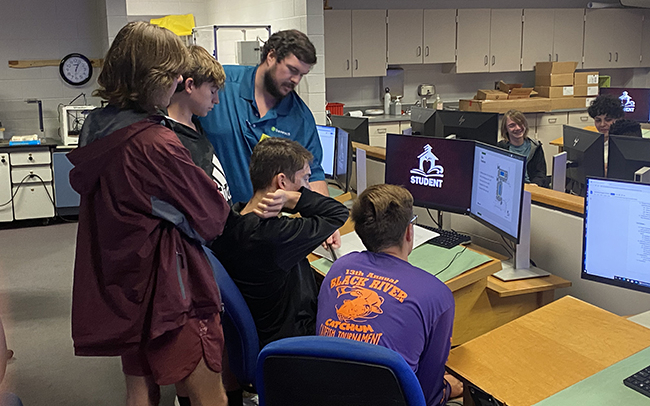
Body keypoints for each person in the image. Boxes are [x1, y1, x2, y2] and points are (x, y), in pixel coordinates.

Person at [68, 22, 230, 406]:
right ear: (151, 76)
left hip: (125, 281)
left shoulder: (96, 126)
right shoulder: (155, 142)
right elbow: (212, 216)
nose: (178, 80)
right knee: (211, 397)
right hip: (170, 288)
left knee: (140, 391)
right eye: (173, 72)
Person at [316, 184, 463, 406]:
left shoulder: (339, 267)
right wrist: (449, 388)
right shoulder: (437, 295)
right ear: (408, 232)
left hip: (324, 394)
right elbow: (428, 395)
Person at [210, 137, 348, 349]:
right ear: (282, 182)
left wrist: (312, 230)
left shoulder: (233, 219)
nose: (308, 187)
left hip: (264, 330)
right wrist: (292, 199)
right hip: (292, 342)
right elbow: (338, 213)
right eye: (305, 179)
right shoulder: (274, 236)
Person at [199, 30, 329, 201]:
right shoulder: (220, 85)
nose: (296, 80)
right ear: (271, 56)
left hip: (262, 221)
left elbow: (313, 176)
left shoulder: (300, 118)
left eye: (301, 75)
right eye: (292, 70)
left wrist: (326, 221)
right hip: (207, 215)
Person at [166, 45, 232, 205]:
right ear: (189, 85)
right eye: (212, 91)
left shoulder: (196, 125)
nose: (216, 100)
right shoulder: (168, 136)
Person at [498, 109, 549, 187]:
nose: (518, 128)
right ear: (506, 129)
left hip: (531, 188)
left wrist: (535, 184)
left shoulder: (535, 147)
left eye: (520, 124)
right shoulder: (501, 148)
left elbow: (540, 173)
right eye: (512, 125)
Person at [586, 94, 625, 168]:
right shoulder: (592, 142)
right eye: (598, 120)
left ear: (618, 119)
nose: (602, 124)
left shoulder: (623, 144)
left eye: (608, 120)